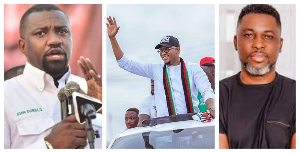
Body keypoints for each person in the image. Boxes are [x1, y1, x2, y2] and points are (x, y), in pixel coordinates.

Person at [4, 4, 102, 149]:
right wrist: (49, 145)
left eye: (62, 31)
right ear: (23, 46)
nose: (55, 40)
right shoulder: (6, 94)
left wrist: (101, 110)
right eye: (41, 33)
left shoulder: (90, 91)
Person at [219, 4, 296, 149]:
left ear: (280, 44)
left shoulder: (295, 93)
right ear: (236, 42)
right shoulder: (221, 93)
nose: (258, 44)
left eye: (268, 36)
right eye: (248, 35)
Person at [106, 16, 215, 118]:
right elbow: (125, 63)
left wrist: (212, 107)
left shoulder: (193, 69)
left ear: (178, 49)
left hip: (191, 124)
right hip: (165, 126)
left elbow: (206, 90)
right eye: (161, 50)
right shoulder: (155, 69)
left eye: (166, 49)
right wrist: (112, 39)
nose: (163, 53)